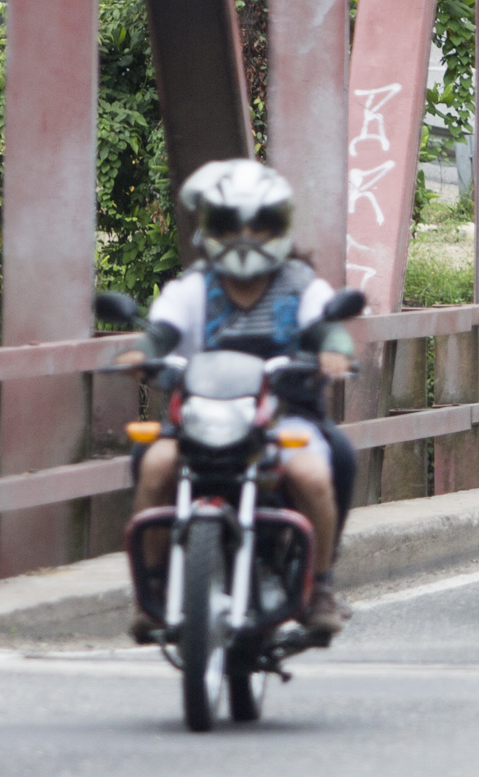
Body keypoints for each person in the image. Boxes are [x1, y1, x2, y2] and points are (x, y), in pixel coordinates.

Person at [126, 160, 359, 643]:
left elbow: (327, 328)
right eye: (231, 225)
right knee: (153, 466)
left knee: (316, 473)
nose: (245, 237)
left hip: (283, 418)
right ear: (211, 229)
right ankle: (153, 588)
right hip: (200, 420)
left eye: (260, 225)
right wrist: (141, 352)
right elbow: (161, 332)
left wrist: (334, 351)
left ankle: (319, 587)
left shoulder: (302, 286)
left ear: (280, 228)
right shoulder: (194, 287)